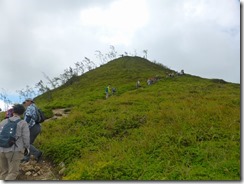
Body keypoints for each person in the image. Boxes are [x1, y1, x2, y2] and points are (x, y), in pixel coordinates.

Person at [0, 104, 30, 180]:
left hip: (1, 150)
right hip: (14, 151)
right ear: (23, 113)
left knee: (4, 172)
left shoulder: (3, 121)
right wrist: (26, 148)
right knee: (12, 173)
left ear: (13, 111)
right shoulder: (23, 123)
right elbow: (26, 138)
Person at [21, 98, 42, 163]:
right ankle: (26, 157)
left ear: (31, 102)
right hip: (36, 127)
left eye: (27, 101)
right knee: (28, 142)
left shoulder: (30, 107)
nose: (26, 102)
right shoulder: (35, 107)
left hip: (33, 127)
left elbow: (28, 117)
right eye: (25, 101)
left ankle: (37, 153)